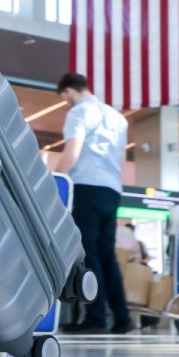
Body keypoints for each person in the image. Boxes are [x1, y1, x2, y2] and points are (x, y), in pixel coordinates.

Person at [54, 72, 135, 335]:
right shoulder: (117, 117)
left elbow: (72, 152)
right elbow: (121, 160)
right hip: (111, 189)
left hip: (86, 187)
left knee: (87, 253)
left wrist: (53, 180)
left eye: (65, 97)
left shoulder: (78, 113)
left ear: (68, 92)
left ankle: (95, 317)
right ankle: (122, 318)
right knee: (106, 256)